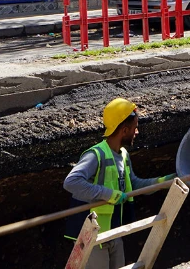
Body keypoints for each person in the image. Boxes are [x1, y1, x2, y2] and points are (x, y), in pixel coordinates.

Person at [64, 98, 174, 269]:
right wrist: (108, 194)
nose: (137, 132)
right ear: (124, 130)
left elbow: (133, 185)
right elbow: (71, 182)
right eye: (135, 128)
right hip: (92, 235)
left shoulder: (123, 155)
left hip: (113, 230)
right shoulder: (96, 155)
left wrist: (161, 182)